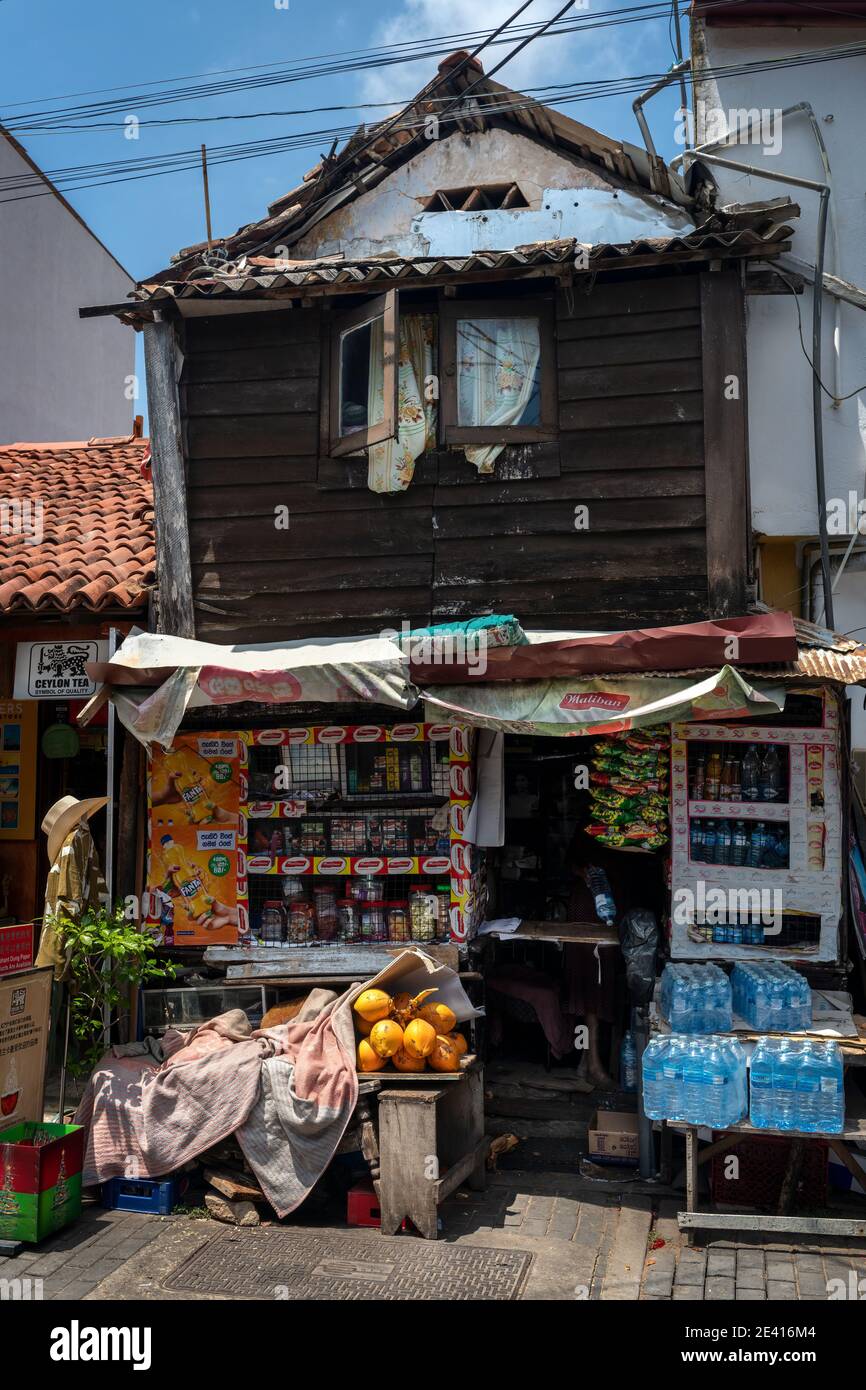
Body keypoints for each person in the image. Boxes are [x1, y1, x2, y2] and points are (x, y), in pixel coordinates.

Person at [37, 795, 108, 978]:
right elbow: (69, 895)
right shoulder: (72, 843)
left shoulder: (82, 841)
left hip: (69, 930)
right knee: (56, 980)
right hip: (66, 931)